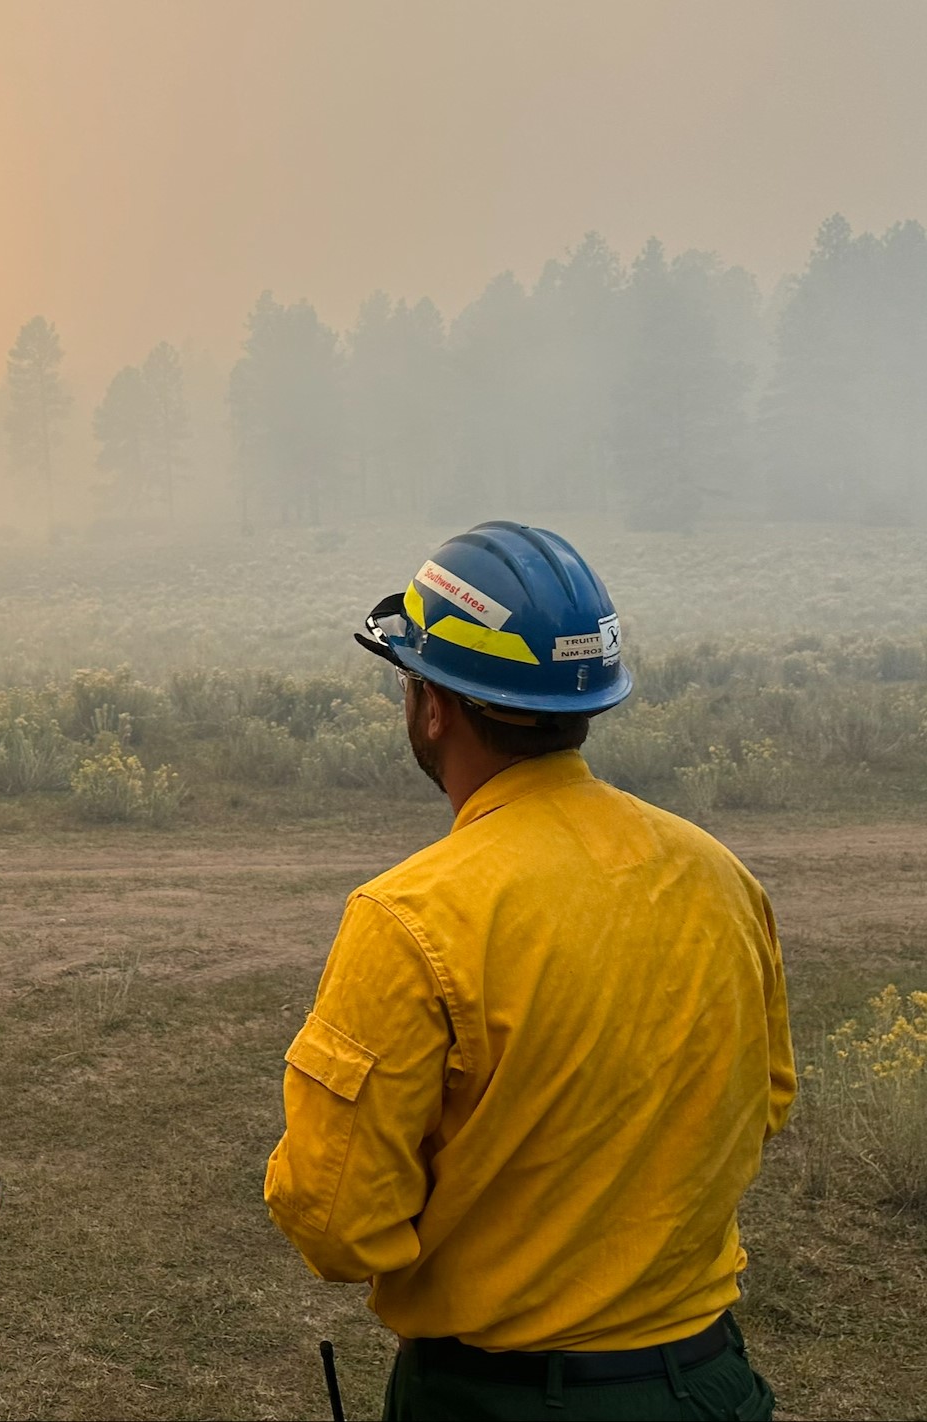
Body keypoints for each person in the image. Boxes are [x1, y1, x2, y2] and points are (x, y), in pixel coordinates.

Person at [265, 521, 795, 1421]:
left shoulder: (411, 916)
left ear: (433, 706)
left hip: (497, 1398)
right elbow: (767, 1099)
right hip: (710, 1386)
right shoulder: (720, 876)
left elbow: (339, 1222)